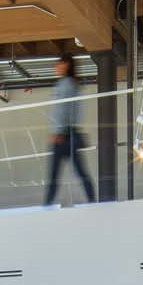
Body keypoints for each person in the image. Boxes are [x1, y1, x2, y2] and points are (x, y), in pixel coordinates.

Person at [42, 55, 96, 205]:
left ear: (66, 65)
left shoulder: (65, 84)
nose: (56, 67)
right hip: (71, 134)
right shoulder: (74, 84)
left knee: (54, 175)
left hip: (63, 136)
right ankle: (92, 200)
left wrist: (58, 131)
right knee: (80, 172)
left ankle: (47, 206)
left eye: (58, 64)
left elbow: (61, 109)